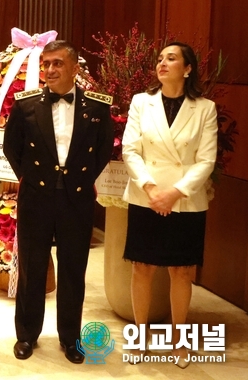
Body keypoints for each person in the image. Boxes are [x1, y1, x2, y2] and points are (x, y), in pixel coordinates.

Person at [3, 40, 114, 364]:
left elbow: (104, 149)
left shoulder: (97, 107)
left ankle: (70, 338)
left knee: (72, 270)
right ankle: (26, 335)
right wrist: (34, 178)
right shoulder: (25, 105)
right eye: (46, 63)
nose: (50, 70)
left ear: (75, 67)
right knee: (32, 269)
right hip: (36, 195)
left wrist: (79, 180)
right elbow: (12, 148)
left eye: (57, 64)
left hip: (76, 198)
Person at [122, 42, 217, 368]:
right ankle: (138, 337)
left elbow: (206, 160)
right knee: (142, 267)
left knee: (181, 270)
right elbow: (130, 150)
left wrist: (174, 192)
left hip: (186, 201)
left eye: (171, 58)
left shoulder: (205, 108)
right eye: (160, 59)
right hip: (145, 196)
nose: (162, 63)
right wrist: (151, 188)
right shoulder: (140, 102)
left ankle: (179, 342)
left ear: (187, 68)